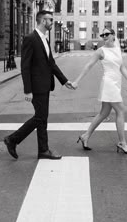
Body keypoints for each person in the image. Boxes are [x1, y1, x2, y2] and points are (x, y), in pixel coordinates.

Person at [4, 10, 74, 160]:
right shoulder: (30, 39)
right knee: (40, 117)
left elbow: (51, 64)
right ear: (42, 21)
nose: (52, 22)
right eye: (50, 19)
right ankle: (13, 139)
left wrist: (64, 80)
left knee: (42, 117)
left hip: (45, 85)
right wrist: (27, 90)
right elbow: (25, 66)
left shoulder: (44, 39)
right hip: (36, 87)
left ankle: (43, 150)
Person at [72, 28, 127, 154]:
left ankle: (85, 136)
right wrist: (77, 81)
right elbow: (88, 66)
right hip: (108, 83)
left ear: (113, 36)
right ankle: (122, 142)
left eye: (106, 34)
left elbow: (122, 67)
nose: (104, 36)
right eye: (102, 35)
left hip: (116, 83)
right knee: (120, 110)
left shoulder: (117, 49)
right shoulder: (100, 51)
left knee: (104, 113)